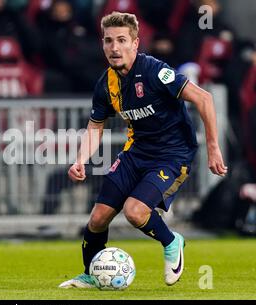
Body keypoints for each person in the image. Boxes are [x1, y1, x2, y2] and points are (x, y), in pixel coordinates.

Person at [58, 12, 227, 288]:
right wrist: (81, 160)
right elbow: (95, 126)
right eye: (109, 41)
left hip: (173, 154)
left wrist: (213, 147)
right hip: (136, 152)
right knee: (98, 218)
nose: (115, 48)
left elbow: (204, 98)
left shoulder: (154, 71)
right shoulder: (106, 84)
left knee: (134, 211)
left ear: (135, 44)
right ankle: (91, 273)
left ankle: (172, 242)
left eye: (122, 40)